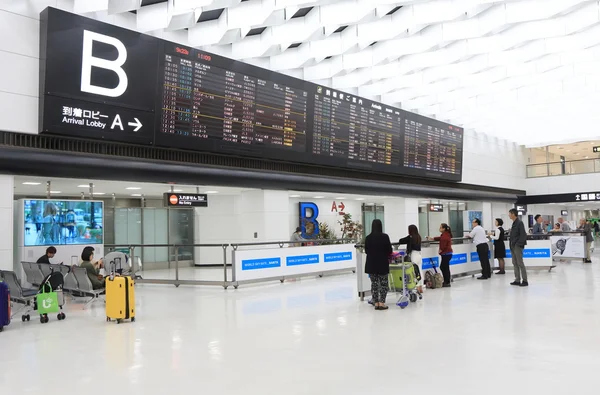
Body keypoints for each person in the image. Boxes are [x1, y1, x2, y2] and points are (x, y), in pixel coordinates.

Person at [365, 219, 393, 310]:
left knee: (374, 284)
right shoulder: (385, 237)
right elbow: (389, 250)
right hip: (382, 263)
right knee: (384, 284)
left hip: (371, 264)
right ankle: (382, 303)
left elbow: (366, 251)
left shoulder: (368, 238)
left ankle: (376, 302)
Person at [509, 209, 528, 287]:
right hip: (513, 245)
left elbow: (523, 234)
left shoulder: (519, 223)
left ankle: (525, 280)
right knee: (515, 263)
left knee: (520, 263)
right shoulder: (514, 223)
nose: (509, 215)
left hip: (517, 245)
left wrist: (518, 244)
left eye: (509, 214)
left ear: (513, 214)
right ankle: (517, 279)